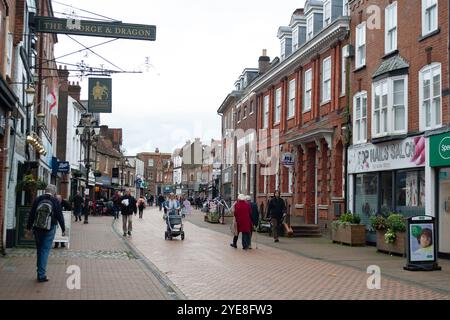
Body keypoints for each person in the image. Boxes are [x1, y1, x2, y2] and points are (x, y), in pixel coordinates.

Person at [26, 185, 65, 283]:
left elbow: (32, 214)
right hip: (50, 228)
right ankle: (41, 275)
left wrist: (28, 227)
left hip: (37, 227)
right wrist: (63, 229)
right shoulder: (55, 201)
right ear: (54, 192)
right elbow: (59, 215)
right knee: (45, 250)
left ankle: (39, 271)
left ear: (45, 191)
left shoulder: (38, 199)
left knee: (40, 249)